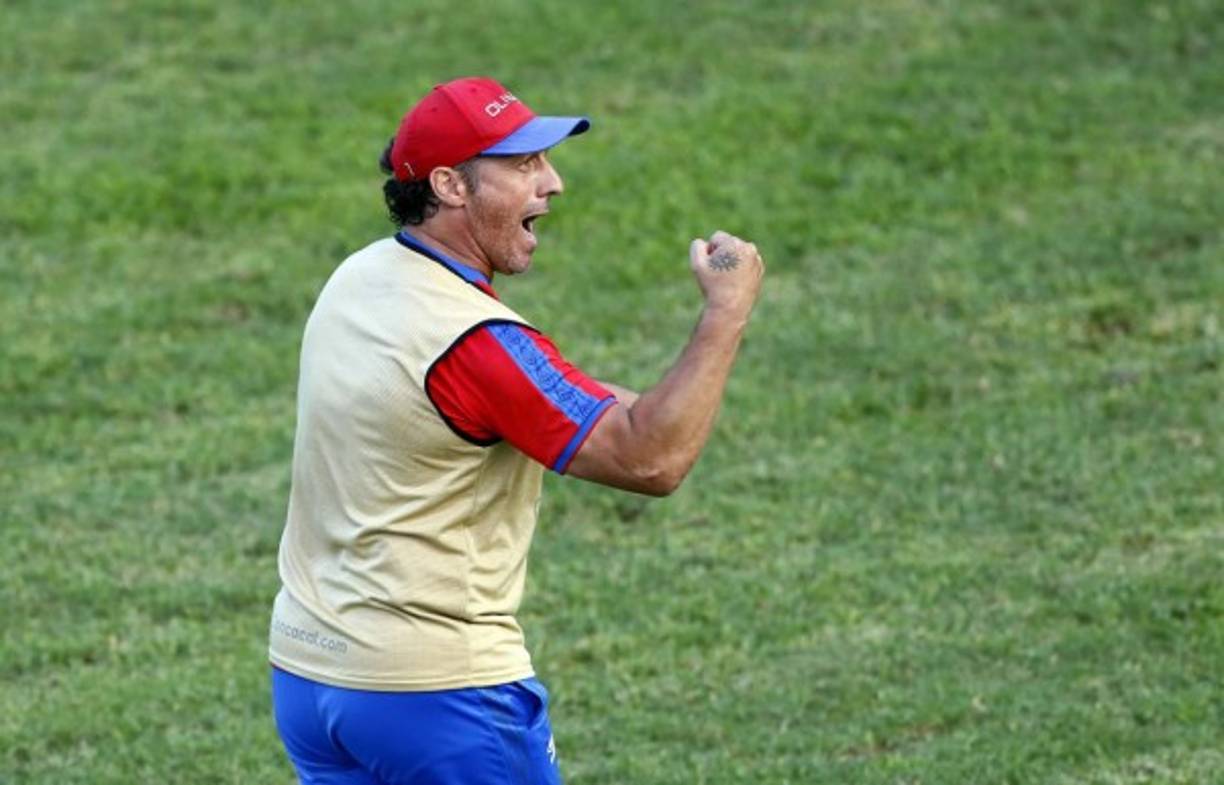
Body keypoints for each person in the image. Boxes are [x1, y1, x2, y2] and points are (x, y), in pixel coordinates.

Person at [268, 76, 764, 785]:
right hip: (435, 695)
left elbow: (547, 394)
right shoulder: (479, 344)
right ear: (450, 184)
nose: (552, 183)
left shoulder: (361, 277)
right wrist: (726, 313)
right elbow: (652, 460)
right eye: (524, 164)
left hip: (311, 674)